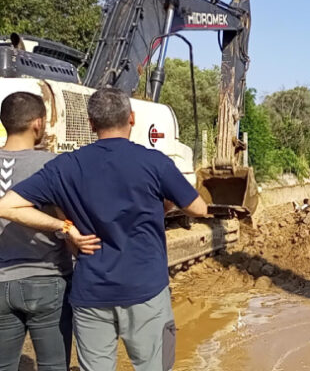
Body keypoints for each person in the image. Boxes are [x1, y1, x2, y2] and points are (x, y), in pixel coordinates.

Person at [0, 88, 209, 371]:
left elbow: (6, 207)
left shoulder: (64, 166)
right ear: (131, 118)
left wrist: (65, 227)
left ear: (91, 123)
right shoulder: (155, 162)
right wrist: (166, 207)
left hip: (91, 296)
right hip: (147, 291)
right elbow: (199, 209)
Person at [0, 93, 75, 371]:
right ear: (38, 123)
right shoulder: (52, 165)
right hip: (48, 279)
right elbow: (68, 218)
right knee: (54, 365)